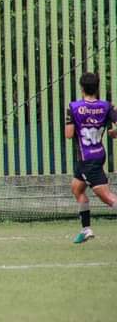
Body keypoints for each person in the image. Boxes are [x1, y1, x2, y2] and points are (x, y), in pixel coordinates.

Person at [65, 72, 117, 244]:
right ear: (97, 87)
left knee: (108, 198)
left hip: (88, 159)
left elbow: (69, 134)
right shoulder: (106, 106)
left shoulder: (73, 107)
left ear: (81, 88)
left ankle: (86, 229)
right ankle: (86, 229)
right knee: (77, 189)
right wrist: (113, 132)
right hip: (95, 155)